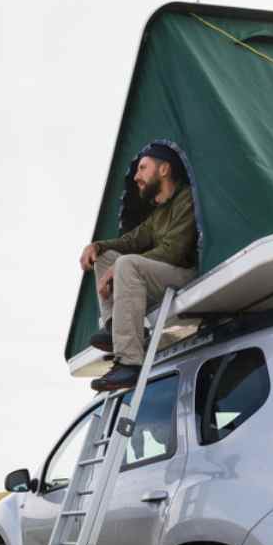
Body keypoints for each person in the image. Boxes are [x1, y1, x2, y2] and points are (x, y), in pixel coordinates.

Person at [78, 143, 197, 391]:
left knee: (126, 263)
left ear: (163, 169)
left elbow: (175, 251)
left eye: (143, 168)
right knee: (107, 257)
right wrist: (98, 246)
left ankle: (130, 363)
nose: (136, 176)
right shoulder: (158, 213)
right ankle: (114, 329)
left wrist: (119, 269)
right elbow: (132, 241)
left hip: (185, 273)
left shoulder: (186, 198)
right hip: (161, 275)